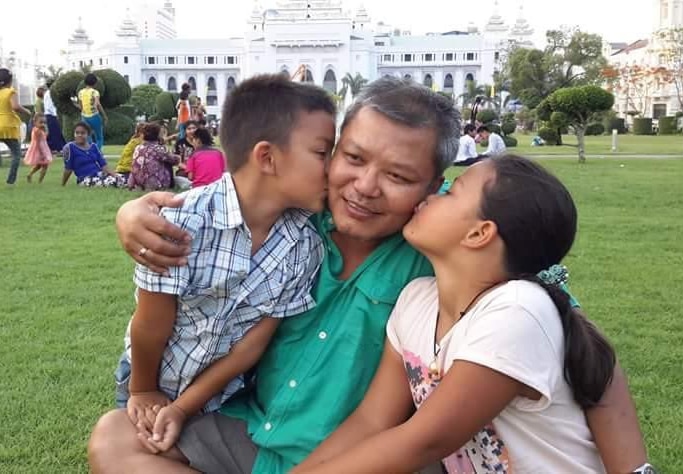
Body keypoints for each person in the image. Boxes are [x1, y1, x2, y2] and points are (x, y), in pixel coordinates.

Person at [89, 77, 649, 474]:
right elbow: (223, 205)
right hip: (255, 433)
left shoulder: (444, 258)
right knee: (116, 437)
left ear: (435, 189)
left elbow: (585, 351)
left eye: (399, 175)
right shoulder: (292, 222)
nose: (365, 186)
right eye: (352, 159)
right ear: (329, 155)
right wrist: (132, 212)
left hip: (365, 456)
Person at [294, 155, 620, 473]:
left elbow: (422, 442)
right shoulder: (415, 301)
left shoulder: (517, 311)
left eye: (450, 193)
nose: (430, 198)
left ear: (479, 233)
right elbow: (372, 420)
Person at [113, 73, 336, 458]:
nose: (333, 168)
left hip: (222, 395)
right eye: (322, 153)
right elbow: (151, 324)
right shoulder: (182, 223)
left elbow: (252, 346)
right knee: (139, 452)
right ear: (267, 157)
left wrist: (184, 407)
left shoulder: (304, 245)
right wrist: (143, 389)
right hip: (150, 377)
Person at [61, 122, 125, 187]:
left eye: (83, 133)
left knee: (122, 178)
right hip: (85, 179)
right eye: (77, 133)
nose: (79, 135)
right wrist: (63, 184)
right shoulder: (69, 147)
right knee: (113, 182)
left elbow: (103, 165)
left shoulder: (93, 146)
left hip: (98, 174)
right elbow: (68, 168)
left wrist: (114, 175)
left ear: (88, 135)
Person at [0, 68, 32, 184]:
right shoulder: (10, 91)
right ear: (10, 80)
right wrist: (27, 111)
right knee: (16, 154)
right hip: (8, 126)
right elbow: (15, 107)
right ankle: (11, 180)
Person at [127, 123, 179, 191]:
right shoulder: (158, 149)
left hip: (137, 182)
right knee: (167, 163)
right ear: (157, 135)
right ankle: (167, 185)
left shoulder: (138, 147)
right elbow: (174, 160)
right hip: (154, 184)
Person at [76, 73, 108, 151]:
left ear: (85, 82)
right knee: (99, 137)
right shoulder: (95, 92)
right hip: (94, 116)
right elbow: (98, 104)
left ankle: (89, 152)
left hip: (84, 117)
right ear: (95, 82)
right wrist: (104, 116)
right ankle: (97, 152)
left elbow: (81, 107)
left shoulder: (80, 92)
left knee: (88, 136)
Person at [24, 114, 53, 183]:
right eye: (41, 122)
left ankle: (30, 175)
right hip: (40, 150)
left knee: (39, 165)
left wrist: (45, 129)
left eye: (44, 122)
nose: (43, 124)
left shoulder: (39, 130)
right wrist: (43, 153)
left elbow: (45, 136)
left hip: (43, 149)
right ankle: (40, 181)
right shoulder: (37, 131)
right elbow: (39, 143)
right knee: (45, 165)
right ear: (35, 122)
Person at [43, 80, 66, 153]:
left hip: (50, 114)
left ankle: (55, 147)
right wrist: (55, 114)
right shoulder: (49, 93)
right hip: (51, 114)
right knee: (55, 132)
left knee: (54, 131)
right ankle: (58, 148)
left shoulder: (48, 93)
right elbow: (50, 106)